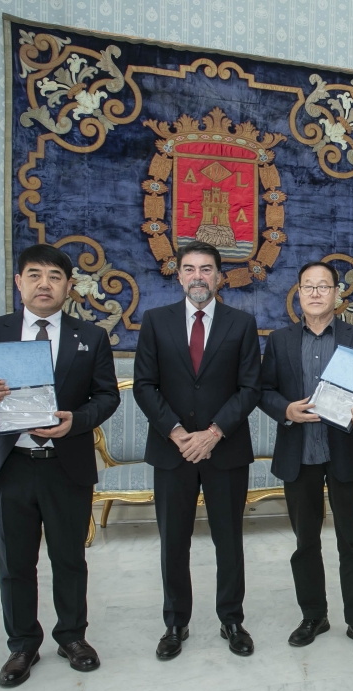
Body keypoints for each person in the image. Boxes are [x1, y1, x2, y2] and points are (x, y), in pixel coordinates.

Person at [0, 243, 119, 688]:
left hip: (66, 464)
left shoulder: (91, 337)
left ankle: (72, 637)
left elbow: (107, 397)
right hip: (10, 465)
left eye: (55, 277)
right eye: (35, 275)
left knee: (69, 558)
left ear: (69, 287)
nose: (45, 284)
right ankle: (22, 644)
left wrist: (77, 421)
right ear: (20, 282)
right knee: (15, 563)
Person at [132, 240, 261, 660]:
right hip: (173, 451)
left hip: (224, 450)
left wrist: (213, 432)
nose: (198, 277)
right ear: (179, 275)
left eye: (206, 269)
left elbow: (249, 389)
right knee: (174, 541)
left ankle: (232, 618)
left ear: (220, 276)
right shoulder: (155, 321)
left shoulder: (241, 323)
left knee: (229, 540)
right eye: (190, 269)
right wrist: (176, 432)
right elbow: (144, 385)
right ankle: (175, 623)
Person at [259, 260, 353, 653]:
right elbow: (263, 390)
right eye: (308, 286)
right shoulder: (279, 340)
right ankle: (314, 615)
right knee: (305, 542)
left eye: (323, 286)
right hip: (299, 453)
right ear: (298, 293)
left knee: (352, 542)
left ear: (336, 294)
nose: (315, 293)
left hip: (344, 451)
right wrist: (285, 410)